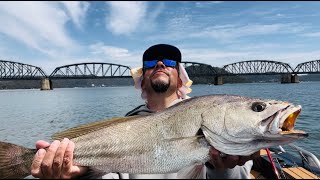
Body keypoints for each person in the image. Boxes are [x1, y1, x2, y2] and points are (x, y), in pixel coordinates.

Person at [30, 44, 260, 179]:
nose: (159, 64)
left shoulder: (215, 115)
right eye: (150, 63)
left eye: (169, 62)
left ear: (181, 77)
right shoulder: (126, 124)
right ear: (142, 79)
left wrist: (224, 170)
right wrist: (77, 175)